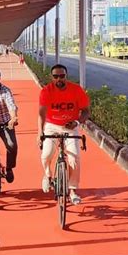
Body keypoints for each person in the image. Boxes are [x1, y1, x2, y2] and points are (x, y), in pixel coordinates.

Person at [37, 64, 90, 205]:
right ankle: (48, 175)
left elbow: (86, 111)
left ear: (66, 76)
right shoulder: (46, 91)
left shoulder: (76, 90)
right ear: (51, 77)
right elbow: (41, 115)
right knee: (46, 154)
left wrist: (77, 123)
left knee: (74, 157)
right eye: (55, 76)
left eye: (62, 76)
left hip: (70, 126)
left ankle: (72, 190)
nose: (59, 79)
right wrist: (40, 133)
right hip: (52, 126)